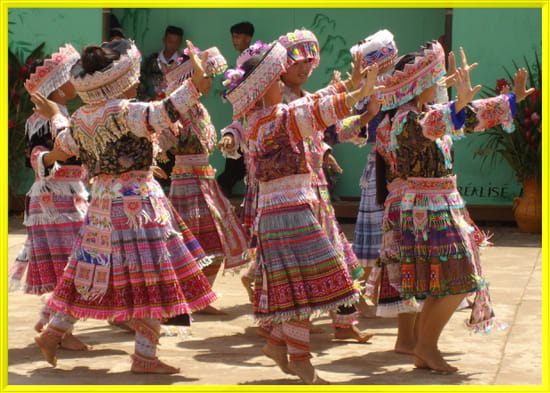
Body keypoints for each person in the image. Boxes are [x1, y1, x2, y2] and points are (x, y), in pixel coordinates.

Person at [31, 38, 217, 374]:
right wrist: (199, 84)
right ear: (120, 81)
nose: (136, 81)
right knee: (150, 277)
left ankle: (54, 332)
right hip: (137, 206)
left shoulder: (83, 116)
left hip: (102, 204)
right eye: (132, 76)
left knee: (91, 272)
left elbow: (63, 139)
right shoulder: (124, 111)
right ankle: (145, 357)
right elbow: (167, 111)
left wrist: (56, 114)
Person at [223, 40, 381, 384]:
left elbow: (313, 103)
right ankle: (300, 359)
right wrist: (356, 94)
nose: (284, 84)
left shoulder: (257, 119)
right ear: (267, 87)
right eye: (279, 81)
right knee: (315, 281)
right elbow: (317, 110)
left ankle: (282, 346)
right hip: (289, 213)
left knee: (305, 284)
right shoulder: (277, 119)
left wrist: (351, 89)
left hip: (283, 210)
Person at [375, 41, 532, 372]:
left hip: (440, 205)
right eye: (433, 78)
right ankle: (425, 347)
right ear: (419, 85)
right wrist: (457, 106)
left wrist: (511, 101)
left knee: (450, 282)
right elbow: (441, 122)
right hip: (425, 210)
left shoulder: (426, 115)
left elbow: (466, 118)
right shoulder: (405, 121)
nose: (438, 84)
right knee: (458, 279)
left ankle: (425, 348)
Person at [277, 28, 374, 343]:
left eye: (308, 62)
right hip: (289, 192)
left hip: (316, 190)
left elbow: (330, 132)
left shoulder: (307, 98)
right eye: (297, 63)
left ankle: (343, 324)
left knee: (334, 253)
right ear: (281, 66)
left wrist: (363, 118)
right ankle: (280, 327)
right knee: (299, 261)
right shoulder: (277, 101)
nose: (304, 69)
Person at [157, 46, 254, 317]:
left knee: (218, 241)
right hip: (186, 182)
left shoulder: (199, 110)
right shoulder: (176, 109)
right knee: (188, 243)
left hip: (205, 180)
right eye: (206, 77)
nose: (210, 83)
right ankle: (181, 298)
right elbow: (162, 140)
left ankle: (199, 296)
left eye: (210, 77)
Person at [17, 44, 90, 351]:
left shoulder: (64, 115)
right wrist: (54, 155)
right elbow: (33, 156)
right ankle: (60, 331)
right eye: (72, 78)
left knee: (74, 263)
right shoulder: (41, 121)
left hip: (71, 197)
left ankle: (55, 323)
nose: (77, 82)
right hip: (53, 201)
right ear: (57, 89)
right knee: (70, 265)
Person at [215, 22, 255, 197]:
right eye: (233, 37)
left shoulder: (253, 59)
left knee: (239, 156)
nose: (234, 40)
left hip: (251, 116)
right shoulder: (243, 59)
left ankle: (223, 187)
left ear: (248, 38)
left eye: (238, 37)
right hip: (243, 116)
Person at [139, 25, 186, 101]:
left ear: (180, 43)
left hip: (178, 103)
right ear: (164, 40)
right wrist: (148, 100)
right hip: (156, 103)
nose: (173, 45)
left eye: (176, 43)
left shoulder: (184, 61)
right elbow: (140, 81)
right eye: (170, 42)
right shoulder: (152, 60)